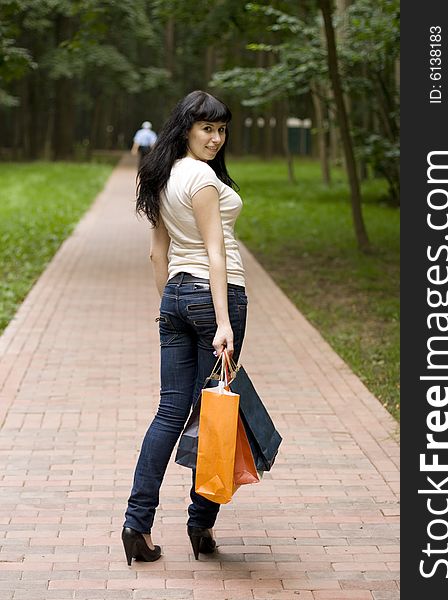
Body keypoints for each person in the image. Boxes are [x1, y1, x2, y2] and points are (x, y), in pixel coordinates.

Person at [122, 90, 248, 565]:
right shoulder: (201, 180)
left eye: (221, 130)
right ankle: (200, 526)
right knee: (216, 412)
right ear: (186, 129)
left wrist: (167, 310)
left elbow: (158, 252)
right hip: (218, 297)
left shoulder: (161, 175)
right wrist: (221, 322)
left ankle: (137, 525)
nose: (215, 139)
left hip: (176, 294)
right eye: (207, 129)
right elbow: (216, 252)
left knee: (170, 413)